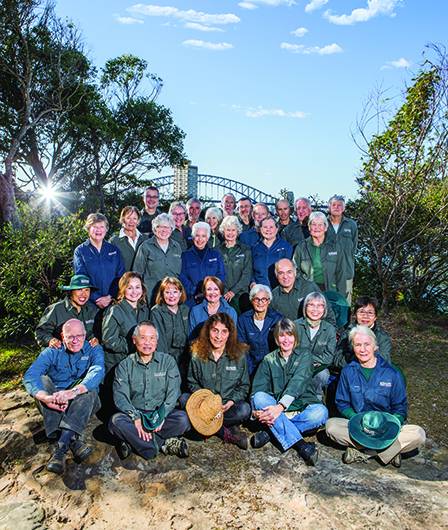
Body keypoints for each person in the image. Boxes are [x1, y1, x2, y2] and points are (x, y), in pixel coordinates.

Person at [326, 325, 426, 467]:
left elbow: (400, 406)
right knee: (331, 427)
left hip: (386, 428)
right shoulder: (348, 371)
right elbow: (342, 402)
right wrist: (353, 418)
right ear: (353, 348)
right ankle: (390, 452)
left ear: (375, 346)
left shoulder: (392, 373)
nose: (363, 349)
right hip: (359, 427)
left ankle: (362, 452)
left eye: (367, 344)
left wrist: (394, 422)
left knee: (418, 434)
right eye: (358, 345)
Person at [23, 319, 104, 474]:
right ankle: (72, 440)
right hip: (56, 401)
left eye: (79, 336)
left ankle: (60, 449)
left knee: (90, 390)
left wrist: (72, 392)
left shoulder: (93, 349)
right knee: (42, 380)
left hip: (83, 400)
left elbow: (97, 371)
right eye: (70, 337)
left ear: (85, 335)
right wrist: (46, 398)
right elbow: (30, 375)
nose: (75, 341)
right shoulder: (52, 351)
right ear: (62, 336)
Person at [251, 318, 328, 466]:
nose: (286, 340)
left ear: (295, 337)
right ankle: (301, 445)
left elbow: (298, 382)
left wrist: (279, 408)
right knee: (260, 398)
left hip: (300, 408)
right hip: (274, 409)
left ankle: (271, 432)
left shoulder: (305, 356)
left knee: (321, 413)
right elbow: (257, 391)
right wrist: (255, 413)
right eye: (282, 335)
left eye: (290, 335)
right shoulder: (269, 360)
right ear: (276, 338)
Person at [109, 322, 190, 460]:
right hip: (137, 413)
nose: (148, 342)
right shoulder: (124, 366)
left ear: (157, 342)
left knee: (183, 420)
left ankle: (134, 442)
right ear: (134, 340)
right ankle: (161, 444)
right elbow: (120, 397)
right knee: (115, 422)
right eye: (143, 338)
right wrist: (135, 417)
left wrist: (162, 415)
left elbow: (174, 392)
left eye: (152, 338)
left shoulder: (168, 361)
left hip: (160, 412)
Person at [184, 313, 251, 449]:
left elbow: (244, 386)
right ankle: (226, 433)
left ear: (229, 334)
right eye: (215, 330)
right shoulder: (196, 353)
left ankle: (204, 426)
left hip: (226, 406)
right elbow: (191, 381)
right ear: (208, 331)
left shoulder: (239, 355)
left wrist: (231, 401)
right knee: (183, 399)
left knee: (245, 409)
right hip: (203, 405)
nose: (218, 336)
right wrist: (205, 400)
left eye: (224, 331)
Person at [102, 272, 150, 376]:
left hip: (138, 363)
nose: (134, 292)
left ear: (142, 289)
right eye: (129, 288)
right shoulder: (114, 310)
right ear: (123, 289)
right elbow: (108, 340)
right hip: (117, 364)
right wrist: (134, 345)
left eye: (137, 287)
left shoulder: (145, 310)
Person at [73, 213, 125, 309]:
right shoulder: (80, 251)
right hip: (90, 303)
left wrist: (110, 296)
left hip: (113, 302)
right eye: (94, 227)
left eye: (102, 226)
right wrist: (96, 298)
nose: (98, 230)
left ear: (106, 229)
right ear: (88, 229)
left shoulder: (114, 250)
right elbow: (81, 279)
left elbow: (121, 277)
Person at [35, 274, 99, 348]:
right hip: (60, 353)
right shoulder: (56, 309)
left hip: (83, 354)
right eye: (79, 289)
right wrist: (50, 340)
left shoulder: (92, 310)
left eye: (87, 290)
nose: (84, 294)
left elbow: (93, 333)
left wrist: (94, 339)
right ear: (71, 291)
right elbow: (41, 332)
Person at [293, 211, 346, 297]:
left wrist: (341, 296)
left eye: (320, 224)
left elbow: (341, 273)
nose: (317, 228)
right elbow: (295, 271)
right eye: (313, 224)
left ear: (325, 228)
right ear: (309, 227)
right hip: (308, 290)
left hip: (330, 290)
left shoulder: (336, 247)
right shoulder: (301, 247)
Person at [133, 213, 182, 305]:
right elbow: (137, 273)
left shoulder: (177, 247)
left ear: (172, 229)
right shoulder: (145, 247)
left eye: (167, 227)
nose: (164, 230)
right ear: (155, 229)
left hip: (172, 296)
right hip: (151, 296)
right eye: (160, 227)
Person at [294, 292, 336, 399]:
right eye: (311, 305)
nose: (315, 309)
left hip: (318, 368)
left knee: (323, 375)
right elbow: (291, 351)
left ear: (324, 309)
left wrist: (310, 361)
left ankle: (316, 398)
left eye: (319, 306)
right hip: (296, 365)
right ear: (305, 307)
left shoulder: (330, 329)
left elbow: (329, 357)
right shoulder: (295, 326)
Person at [270, 259, 336, 326]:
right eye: (281, 273)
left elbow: (328, 312)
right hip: (289, 334)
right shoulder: (273, 296)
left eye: (289, 272)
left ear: (295, 272)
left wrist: (331, 332)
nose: (285, 276)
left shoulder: (309, 288)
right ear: (276, 275)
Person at [334, 296, 392, 369]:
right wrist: (354, 361)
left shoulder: (382, 337)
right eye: (361, 312)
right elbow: (337, 358)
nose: (365, 316)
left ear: (375, 317)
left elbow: (385, 360)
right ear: (355, 314)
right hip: (350, 372)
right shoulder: (346, 333)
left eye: (370, 313)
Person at [237, 284, 282, 375]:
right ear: (252, 300)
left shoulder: (278, 319)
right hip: (251, 367)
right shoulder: (243, 319)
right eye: (256, 299)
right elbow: (242, 347)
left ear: (269, 301)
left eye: (264, 299)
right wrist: (250, 370)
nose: (260, 303)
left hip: (273, 367)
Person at [179, 222, 226, 306]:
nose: (200, 239)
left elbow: (221, 275)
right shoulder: (185, 256)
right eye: (197, 235)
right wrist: (194, 290)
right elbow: (182, 277)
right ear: (193, 237)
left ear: (207, 238)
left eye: (203, 236)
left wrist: (210, 291)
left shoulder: (216, 255)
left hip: (213, 299)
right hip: (192, 300)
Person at [150, 277, 189, 370]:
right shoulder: (156, 312)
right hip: (167, 358)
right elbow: (160, 342)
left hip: (185, 358)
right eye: (167, 292)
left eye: (175, 292)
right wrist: (166, 363)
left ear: (180, 293)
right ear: (162, 294)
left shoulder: (185, 310)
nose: (171, 296)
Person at [326, 195, 358, 303]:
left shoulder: (351, 225)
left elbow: (353, 249)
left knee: (344, 304)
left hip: (346, 272)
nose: (336, 207)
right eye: (334, 205)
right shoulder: (322, 224)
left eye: (340, 205)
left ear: (344, 208)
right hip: (326, 273)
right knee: (327, 304)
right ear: (329, 207)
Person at [218, 215, 252, 312]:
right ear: (223, 231)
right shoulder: (216, 251)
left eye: (233, 230)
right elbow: (216, 274)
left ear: (238, 232)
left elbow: (247, 275)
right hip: (222, 295)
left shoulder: (245, 250)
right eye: (228, 230)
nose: (230, 233)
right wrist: (225, 292)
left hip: (240, 295)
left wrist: (233, 292)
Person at [251, 217, 292, 288]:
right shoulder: (255, 248)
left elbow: (291, 270)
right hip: (260, 289)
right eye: (265, 227)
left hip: (279, 289)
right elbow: (250, 270)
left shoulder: (286, 247)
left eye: (271, 227)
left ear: (277, 229)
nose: (268, 230)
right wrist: (252, 283)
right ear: (260, 229)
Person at [110, 206, 147, 271]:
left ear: (138, 220)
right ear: (123, 219)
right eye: (128, 218)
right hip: (122, 280)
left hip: (142, 280)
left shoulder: (145, 239)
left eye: (134, 218)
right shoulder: (114, 241)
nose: (131, 221)